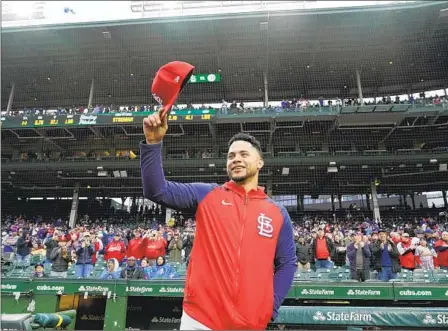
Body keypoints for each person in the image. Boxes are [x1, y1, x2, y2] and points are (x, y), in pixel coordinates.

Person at [140, 110, 296, 330]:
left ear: (259, 162)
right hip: (200, 320)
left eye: (244, 154)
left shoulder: (278, 213)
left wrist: (271, 305)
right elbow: (157, 191)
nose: (236, 160)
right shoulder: (207, 194)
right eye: (231, 156)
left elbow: (287, 264)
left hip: (250, 323)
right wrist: (153, 143)